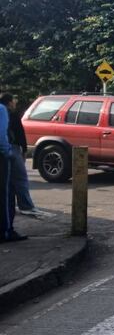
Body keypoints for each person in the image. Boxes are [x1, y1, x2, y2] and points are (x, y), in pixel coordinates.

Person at [2, 95, 42, 217]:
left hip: (6, 149)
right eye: (14, 100)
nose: (16, 102)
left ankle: (10, 206)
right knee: (20, 178)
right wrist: (23, 150)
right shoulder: (9, 114)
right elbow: (19, 134)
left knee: (7, 181)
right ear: (9, 103)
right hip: (11, 148)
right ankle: (26, 205)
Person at [0, 93, 26, 243]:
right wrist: (7, 152)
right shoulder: (2, 110)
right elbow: (1, 136)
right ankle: (6, 231)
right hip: (2, 156)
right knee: (6, 194)